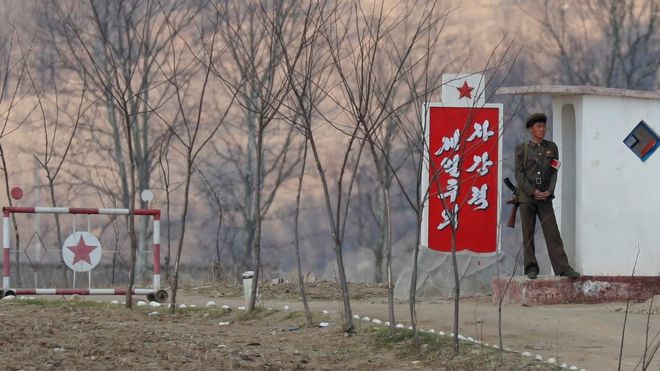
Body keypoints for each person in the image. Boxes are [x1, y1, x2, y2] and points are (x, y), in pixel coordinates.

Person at [515, 113, 579, 279]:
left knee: (552, 233)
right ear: (531, 129)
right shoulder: (522, 149)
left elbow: (554, 171)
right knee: (528, 234)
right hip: (527, 198)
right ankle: (531, 268)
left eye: (543, 126)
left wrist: (549, 191)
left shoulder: (552, 147)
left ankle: (563, 267)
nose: (542, 129)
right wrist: (532, 191)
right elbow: (519, 174)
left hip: (545, 198)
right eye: (538, 126)